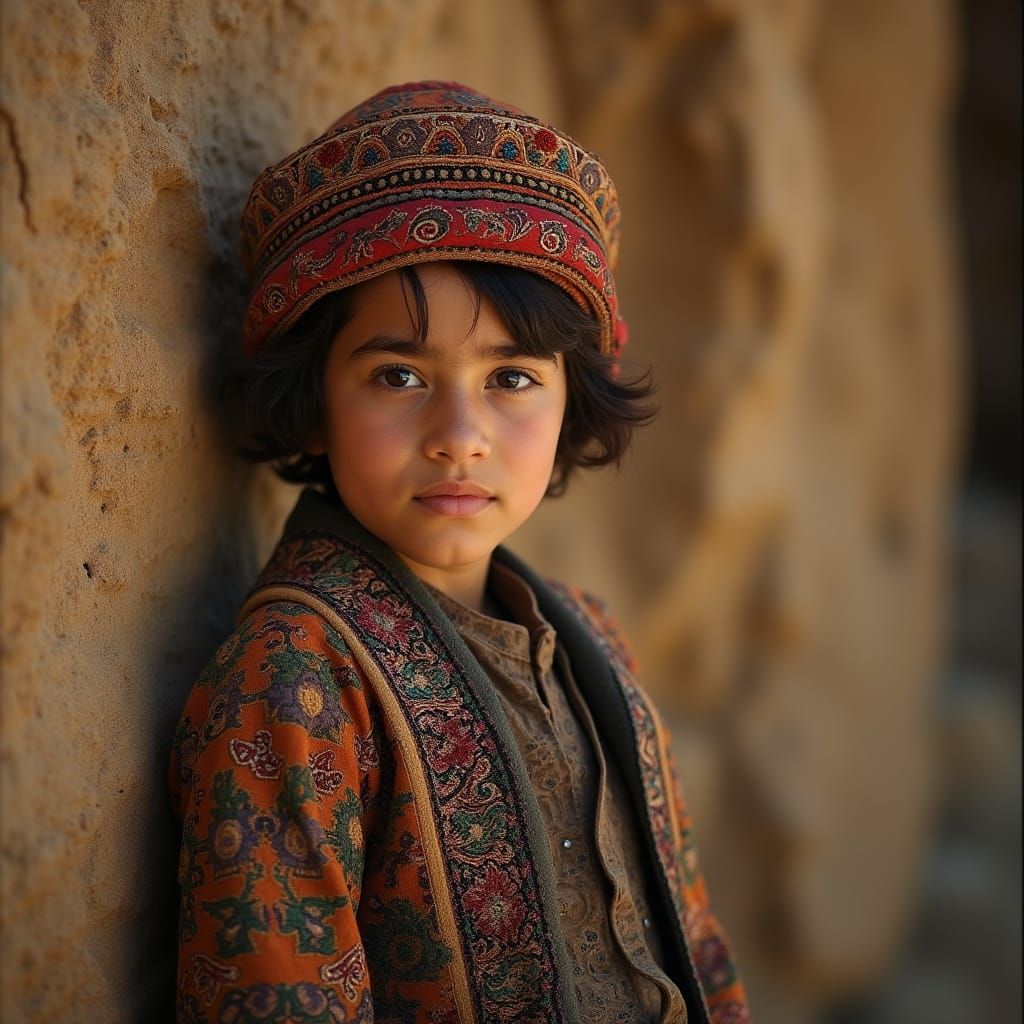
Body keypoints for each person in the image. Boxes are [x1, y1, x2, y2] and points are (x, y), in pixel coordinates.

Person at [170, 81, 750, 1024]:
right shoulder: (296, 684)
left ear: (570, 406)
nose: (460, 434)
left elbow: (699, 951)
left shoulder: (592, 641)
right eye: (398, 375)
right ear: (314, 403)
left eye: (512, 377)